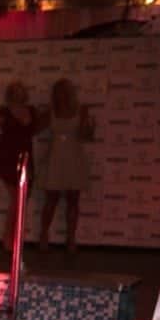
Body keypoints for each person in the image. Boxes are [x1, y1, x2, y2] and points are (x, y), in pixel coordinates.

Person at [0, 81, 42, 251]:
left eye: (20, 91)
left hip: (26, 158)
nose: (18, 94)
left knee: (22, 199)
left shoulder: (32, 111)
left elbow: (36, 129)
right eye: (15, 91)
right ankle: (8, 238)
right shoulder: (4, 112)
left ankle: (15, 237)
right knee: (16, 199)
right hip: (8, 158)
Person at [38, 78, 93, 253]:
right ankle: (44, 235)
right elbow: (34, 128)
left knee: (73, 200)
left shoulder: (81, 110)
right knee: (51, 200)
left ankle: (71, 238)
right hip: (55, 158)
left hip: (74, 158)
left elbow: (87, 136)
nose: (61, 95)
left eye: (64, 92)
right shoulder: (50, 111)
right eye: (58, 92)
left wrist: (89, 126)